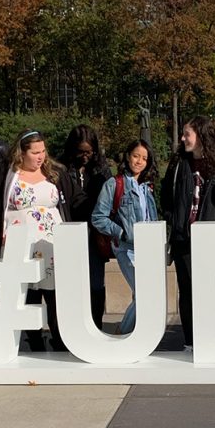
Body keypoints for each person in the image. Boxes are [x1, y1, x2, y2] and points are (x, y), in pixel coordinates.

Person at [0, 129, 83, 352]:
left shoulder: (55, 173)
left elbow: (76, 200)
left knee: (55, 295)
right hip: (22, 246)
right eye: (35, 152)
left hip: (52, 244)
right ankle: (34, 343)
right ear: (22, 153)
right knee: (29, 296)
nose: (40, 156)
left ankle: (61, 342)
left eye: (43, 151)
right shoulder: (8, 175)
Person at [161, 116, 215, 350]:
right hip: (183, 238)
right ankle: (190, 342)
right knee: (186, 289)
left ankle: (207, 339)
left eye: (187, 134)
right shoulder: (178, 163)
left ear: (201, 135)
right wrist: (173, 219)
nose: (183, 138)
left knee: (205, 289)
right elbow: (166, 194)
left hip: (209, 237)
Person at [91, 139, 159, 334]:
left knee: (144, 294)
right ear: (128, 156)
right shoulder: (114, 184)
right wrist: (121, 232)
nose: (139, 161)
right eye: (136, 156)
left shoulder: (147, 186)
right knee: (145, 294)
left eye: (144, 158)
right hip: (126, 249)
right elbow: (98, 217)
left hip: (147, 249)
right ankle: (123, 332)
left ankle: (134, 335)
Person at [59, 125, 113, 328]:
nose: (84, 156)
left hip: (94, 233)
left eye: (88, 152)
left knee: (95, 283)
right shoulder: (61, 168)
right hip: (70, 230)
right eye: (80, 152)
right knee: (70, 285)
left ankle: (96, 324)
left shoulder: (101, 170)